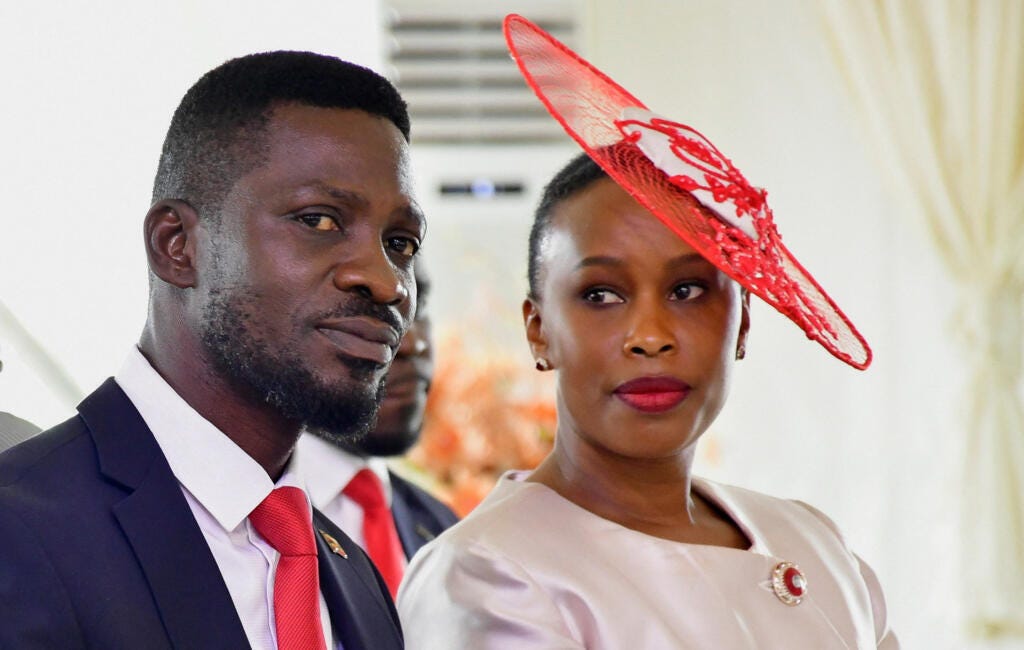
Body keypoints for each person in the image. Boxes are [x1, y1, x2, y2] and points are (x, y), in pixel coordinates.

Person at [396, 15, 897, 649]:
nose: (650, 335)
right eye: (601, 295)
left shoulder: (814, 544)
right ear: (539, 330)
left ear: (742, 320)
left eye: (688, 291)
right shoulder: (488, 571)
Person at [0, 51, 424, 649]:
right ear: (177, 245)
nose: (388, 282)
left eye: (401, 242)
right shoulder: (18, 533)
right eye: (319, 221)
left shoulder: (355, 579)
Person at [296, 261, 458, 598]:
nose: (414, 344)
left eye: (419, 307)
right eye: (368, 314)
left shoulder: (440, 525)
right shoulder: (254, 520)